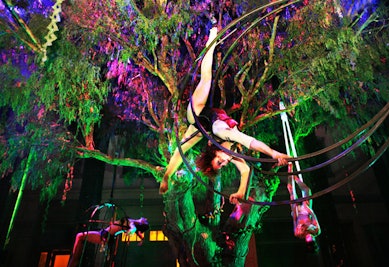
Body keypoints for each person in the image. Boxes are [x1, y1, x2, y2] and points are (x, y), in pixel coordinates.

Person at [159, 25, 290, 203]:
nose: (225, 162)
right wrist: (241, 193)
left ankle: (211, 38)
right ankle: (212, 39)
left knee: (206, 79)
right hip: (207, 123)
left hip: (197, 116)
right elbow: (245, 171)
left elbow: (250, 142)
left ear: (214, 152)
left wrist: (274, 154)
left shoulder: (222, 135)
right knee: (187, 143)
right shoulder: (233, 150)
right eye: (223, 165)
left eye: (219, 162)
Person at [67, 216, 149, 267]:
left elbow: (133, 228)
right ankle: (74, 260)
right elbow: (137, 231)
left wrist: (131, 231)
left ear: (142, 224)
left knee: (80, 236)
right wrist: (141, 238)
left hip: (104, 236)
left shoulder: (132, 223)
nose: (145, 219)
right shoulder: (133, 222)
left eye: (145, 221)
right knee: (80, 236)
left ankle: (74, 260)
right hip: (104, 233)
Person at [287, 163, 321, 252]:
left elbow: (294, 219)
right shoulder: (316, 231)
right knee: (307, 190)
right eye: (311, 238)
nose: (309, 236)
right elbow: (313, 215)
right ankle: (296, 178)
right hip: (306, 211)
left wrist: (294, 210)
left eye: (308, 239)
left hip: (297, 213)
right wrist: (306, 207)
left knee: (290, 189)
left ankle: (290, 169)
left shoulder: (298, 234)